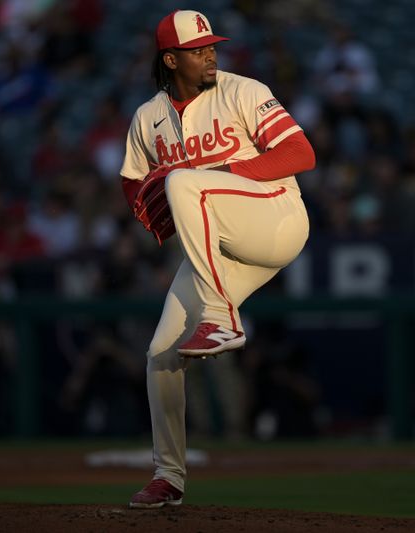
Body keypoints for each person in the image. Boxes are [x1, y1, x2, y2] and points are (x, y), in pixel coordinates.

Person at [119, 10, 314, 508]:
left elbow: (300, 153)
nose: (211, 53)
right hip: (222, 248)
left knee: (185, 181)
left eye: (212, 45)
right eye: (198, 48)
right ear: (170, 59)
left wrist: (224, 169)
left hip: (276, 218)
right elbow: (133, 183)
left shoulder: (242, 90)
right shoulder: (148, 118)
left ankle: (221, 318)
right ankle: (169, 478)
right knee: (162, 354)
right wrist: (148, 208)